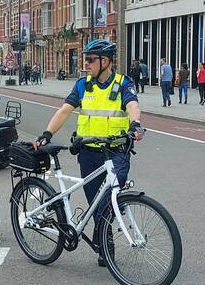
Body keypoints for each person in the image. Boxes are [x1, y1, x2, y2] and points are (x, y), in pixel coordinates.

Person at [33, 39, 145, 267]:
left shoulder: (123, 83)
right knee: (95, 201)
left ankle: (102, 238)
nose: (86, 64)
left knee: (110, 195)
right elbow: (64, 111)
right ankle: (105, 243)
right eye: (86, 59)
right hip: (88, 153)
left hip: (116, 152)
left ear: (106, 61)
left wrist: (135, 124)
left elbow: (132, 105)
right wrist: (47, 133)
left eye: (91, 59)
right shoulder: (83, 85)